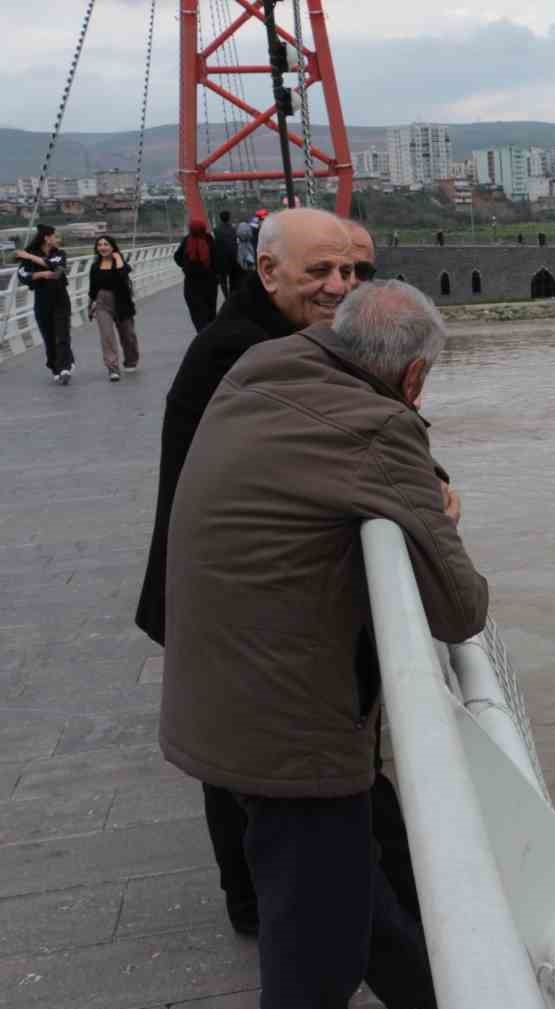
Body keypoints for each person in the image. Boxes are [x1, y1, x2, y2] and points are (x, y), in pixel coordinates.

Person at [161, 280, 480, 1009]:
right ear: (413, 377)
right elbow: (460, 607)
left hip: (218, 690)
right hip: (290, 730)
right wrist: (436, 510)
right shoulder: (376, 427)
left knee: (340, 877)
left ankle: (424, 988)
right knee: (310, 955)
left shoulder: (264, 367)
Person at [136, 207, 364, 933]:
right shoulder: (242, 351)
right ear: (267, 272)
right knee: (232, 756)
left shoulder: (264, 334)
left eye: (350, 271)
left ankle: (264, 900)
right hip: (221, 590)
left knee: (230, 748)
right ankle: (255, 905)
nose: (340, 285)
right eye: (320, 271)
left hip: (220, 584)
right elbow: (335, 445)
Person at [14, 225, 75, 385]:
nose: (58, 240)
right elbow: (23, 275)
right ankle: (55, 367)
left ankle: (65, 368)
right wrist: (40, 274)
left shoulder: (60, 254)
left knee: (62, 334)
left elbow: (55, 268)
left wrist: (29, 256)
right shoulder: (29, 257)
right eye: (56, 236)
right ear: (47, 238)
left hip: (60, 299)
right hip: (42, 300)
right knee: (49, 337)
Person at [88, 235, 140, 381]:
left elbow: (123, 273)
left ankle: (131, 360)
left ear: (113, 247)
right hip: (102, 302)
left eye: (106, 244)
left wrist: (117, 258)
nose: (102, 247)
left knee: (128, 335)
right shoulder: (95, 266)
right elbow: (93, 288)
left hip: (122, 301)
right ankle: (113, 368)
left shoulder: (120, 263)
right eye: (100, 245)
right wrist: (90, 304)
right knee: (107, 336)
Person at [174, 220, 218, 331]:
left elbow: (177, 257)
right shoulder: (209, 240)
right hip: (210, 284)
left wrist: (185, 266)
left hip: (192, 285)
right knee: (210, 314)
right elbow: (217, 259)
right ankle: (210, 335)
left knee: (197, 316)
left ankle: (202, 335)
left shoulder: (187, 241)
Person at [213, 210, 240, 299]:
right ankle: (233, 295)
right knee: (233, 278)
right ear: (229, 218)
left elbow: (216, 244)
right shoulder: (233, 229)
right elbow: (235, 243)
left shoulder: (216, 230)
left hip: (221, 258)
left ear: (220, 218)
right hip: (232, 257)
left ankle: (226, 296)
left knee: (223, 279)